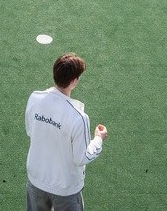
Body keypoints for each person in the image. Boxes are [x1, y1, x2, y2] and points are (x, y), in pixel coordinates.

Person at [25, 53, 107, 211]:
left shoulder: (35, 98)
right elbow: (82, 157)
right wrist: (98, 139)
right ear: (74, 81)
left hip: (36, 179)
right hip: (65, 188)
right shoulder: (78, 117)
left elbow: (31, 130)